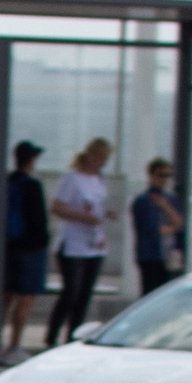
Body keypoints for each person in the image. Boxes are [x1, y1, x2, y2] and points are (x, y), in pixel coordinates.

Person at [46, 137, 112, 347]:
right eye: (98, 158)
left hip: (93, 242)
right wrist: (82, 217)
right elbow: (57, 207)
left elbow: (97, 207)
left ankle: (73, 337)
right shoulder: (72, 178)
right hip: (73, 242)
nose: (100, 163)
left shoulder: (99, 179)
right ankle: (52, 336)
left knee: (84, 294)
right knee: (71, 292)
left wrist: (105, 215)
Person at [2, 140, 48, 360]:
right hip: (30, 249)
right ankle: (14, 344)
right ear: (31, 160)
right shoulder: (32, 185)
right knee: (26, 298)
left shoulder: (6, 182)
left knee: (6, 297)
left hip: (9, 248)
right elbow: (39, 221)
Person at [130, 158, 186, 294]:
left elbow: (180, 223)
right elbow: (152, 230)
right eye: (161, 175)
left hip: (169, 255)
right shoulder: (143, 201)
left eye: (168, 175)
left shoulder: (171, 199)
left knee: (167, 293)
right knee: (150, 292)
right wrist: (173, 227)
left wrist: (166, 207)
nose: (164, 179)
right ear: (151, 176)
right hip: (150, 255)